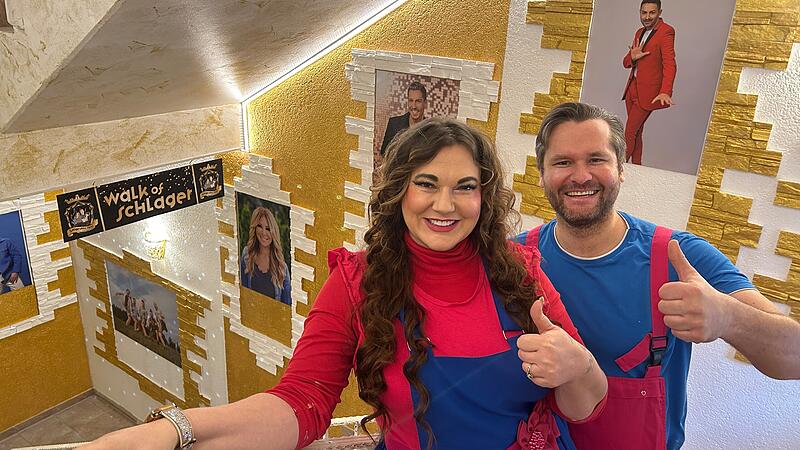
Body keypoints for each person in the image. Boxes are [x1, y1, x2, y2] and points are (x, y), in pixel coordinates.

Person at [81, 118, 607, 450]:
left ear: (483, 198)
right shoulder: (358, 282)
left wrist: (578, 365)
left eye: (464, 188)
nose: (445, 205)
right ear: (399, 191)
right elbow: (300, 403)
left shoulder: (521, 271)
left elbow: (587, 403)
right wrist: (174, 430)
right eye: (426, 184)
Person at [515, 102, 800, 450]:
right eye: (563, 162)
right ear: (541, 173)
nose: (580, 175)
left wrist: (728, 317)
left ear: (621, 168)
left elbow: (794, 357)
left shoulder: (679, 256)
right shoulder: (514, 260)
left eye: (596, 159)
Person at [621, 0, 676, 165]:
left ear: (659, 12)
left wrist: (666, 90)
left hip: (647, 93)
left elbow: (670, 64)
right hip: (632, 88)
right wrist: (632, 56)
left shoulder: (666, 31)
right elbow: (625, 63)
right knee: (637, 132)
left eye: (652, 12)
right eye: (644, 13)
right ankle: (637, 168)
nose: (647, 17)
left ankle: (616, 171)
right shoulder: (639, 32)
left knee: (629, 133)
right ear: (640, 12)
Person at [240, 206, 292, 305]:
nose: (264, 233)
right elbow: (243, 294)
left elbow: (287, 305)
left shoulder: (282, 267)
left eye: (268, 228)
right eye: (259, 226)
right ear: (254, 228)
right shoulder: (247, 256)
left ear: (273, 232)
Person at [379, 81, 427, 157]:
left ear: (425, 103)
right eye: (411, 100)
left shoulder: (430, 131)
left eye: (418, 101)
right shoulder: (393, 124)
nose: (414, 106)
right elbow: (384, 154)